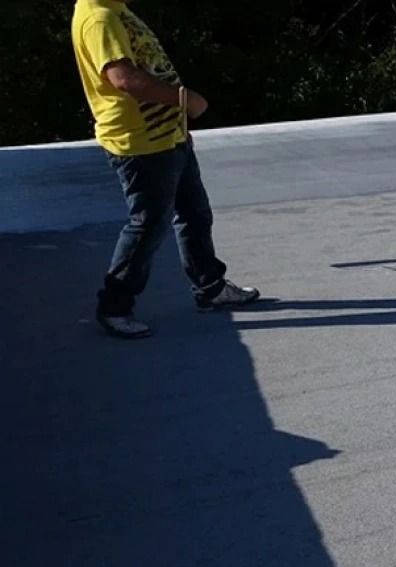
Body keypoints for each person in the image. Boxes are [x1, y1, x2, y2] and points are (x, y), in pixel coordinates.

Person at [70, 0, 260, 339]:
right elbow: (124, 79)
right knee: (148, 225)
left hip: (167, 136)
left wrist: (178, 123)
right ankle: (114, 306)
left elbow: (148, 66)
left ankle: (210, 287)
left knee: (194, 213)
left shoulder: (116, 10)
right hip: (143, 142)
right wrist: (186, 100)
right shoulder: (99, 18)